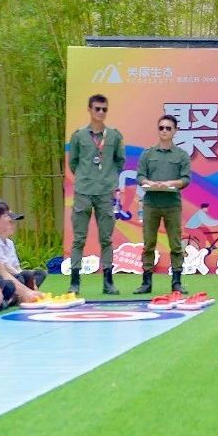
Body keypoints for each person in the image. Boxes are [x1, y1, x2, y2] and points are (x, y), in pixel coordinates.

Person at [67, 94, 126, 295]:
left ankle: (108, 282)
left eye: (104, 109)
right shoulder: (79, 136)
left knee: (106, 238)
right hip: (83, 191)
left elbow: (119, 161)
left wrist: (108, 178)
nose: (101, 112)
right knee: (79, 239)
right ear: (89, 109)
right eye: (97, 109)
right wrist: (86, 176)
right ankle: (75, 282)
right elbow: (73, 162)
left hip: (105, 193)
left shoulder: (114, 136)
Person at [136, 114, 192, 295]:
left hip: (172, 204)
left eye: (168, 128)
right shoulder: (148, 154)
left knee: (175, 244)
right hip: (151, 203)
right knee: (148, 243)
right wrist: (149, 183)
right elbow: (140, 176)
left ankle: (176, 282)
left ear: (175, 131)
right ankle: (146, 282)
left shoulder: (181, 155)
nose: (164, 131)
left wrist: (170, 183)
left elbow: (186, 179)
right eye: (161, 128)